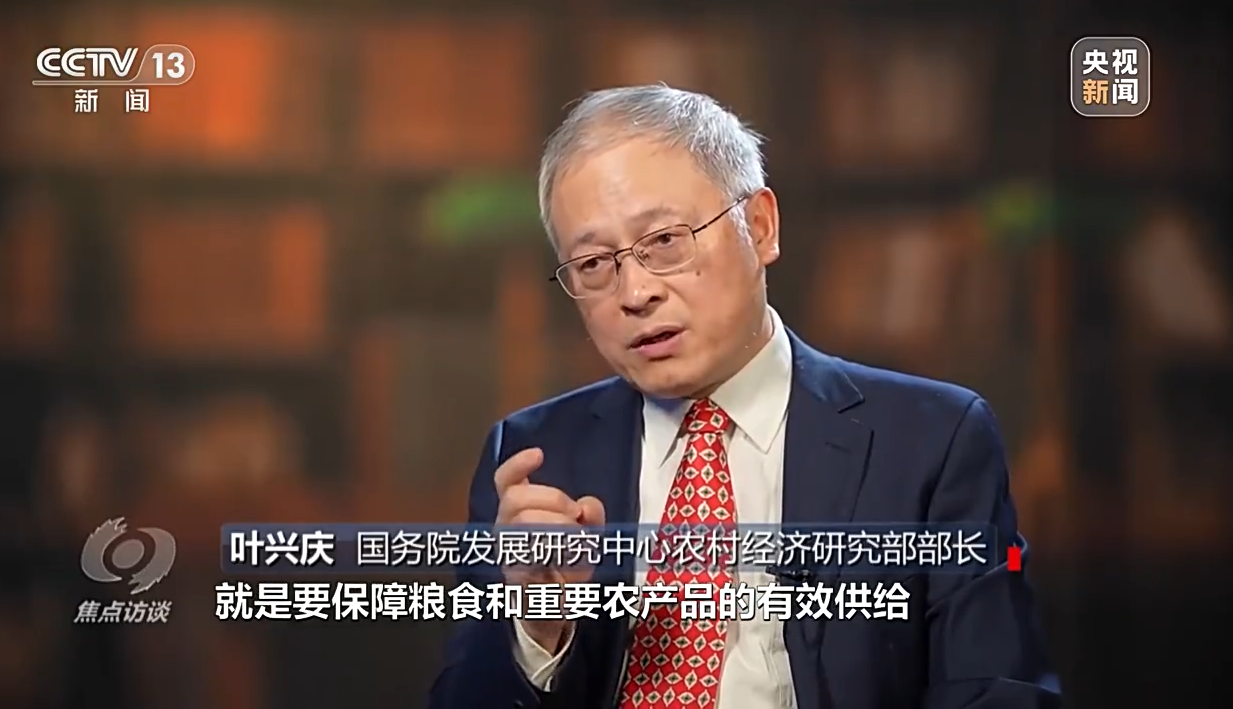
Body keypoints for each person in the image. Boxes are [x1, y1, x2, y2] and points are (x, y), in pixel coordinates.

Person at [428, 85, 1060, 709]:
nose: (635, 293)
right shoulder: (535, 459)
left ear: (759, 228)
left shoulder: (932, 441)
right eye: (593, 264)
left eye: (665, 242)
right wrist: (536, 628)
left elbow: (996, 692)